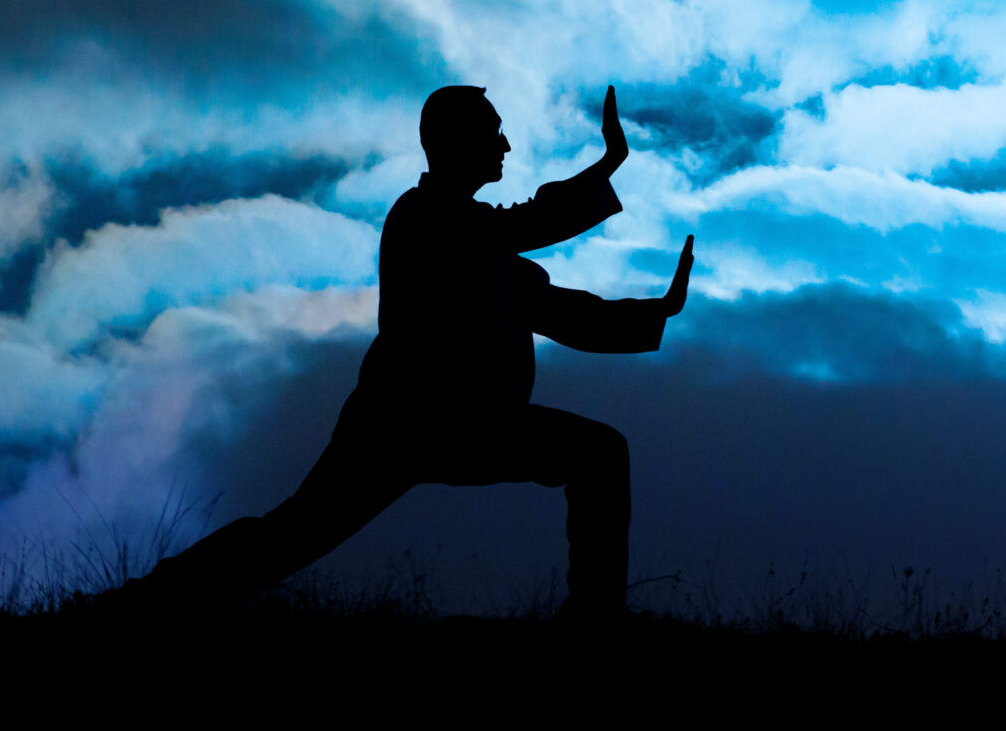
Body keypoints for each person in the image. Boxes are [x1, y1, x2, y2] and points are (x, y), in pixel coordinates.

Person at [116, 83, 692, 621]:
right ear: (454, 143)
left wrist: (657, 309)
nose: (506, 145)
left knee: (599, 454)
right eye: (493, 132)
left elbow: (562, 310)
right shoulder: (425, 217)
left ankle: (597, 620)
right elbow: (525, 225)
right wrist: (608, 162)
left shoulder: (487, 246)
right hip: (401, 423)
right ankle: (144, 604)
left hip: (466, 423)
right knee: (290, 539)